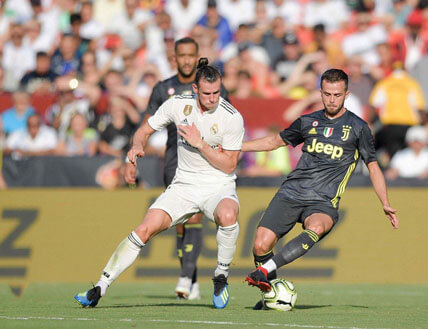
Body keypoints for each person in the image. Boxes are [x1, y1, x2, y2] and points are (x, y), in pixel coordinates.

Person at [75, 58, 244, 310]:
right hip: (184, 185)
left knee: (229, 215)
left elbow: (229, 165)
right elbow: (144, 130)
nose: (213, 98)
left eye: (217, 92)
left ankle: (220, 276)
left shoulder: (231, 117)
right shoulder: (177, 105)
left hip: (217, 185)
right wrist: (134, 149)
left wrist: (200, 144)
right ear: (195, 89)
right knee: (144, 229)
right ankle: (99, 287)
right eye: (207, 93)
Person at [241, 69, 398, 309]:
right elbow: (275, 141)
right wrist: (237, 146)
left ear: (346, 94)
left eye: (337, 94)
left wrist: (385, 202)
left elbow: (373, 166)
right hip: (291, 192)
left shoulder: (358, 127)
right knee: (261, 244)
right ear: (320, 93)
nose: (332, 99)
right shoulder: (307, 121)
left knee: (318, 226)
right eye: (327, 94)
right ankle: (271, 293)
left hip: (323, 201)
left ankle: (264, 271)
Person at [124, 37, 228, 300]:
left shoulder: (210, 86)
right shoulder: (163, 89)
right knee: (180, 223)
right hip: (175, 159)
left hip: (204, 159)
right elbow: (147, 125)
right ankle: (190, 276)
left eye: (190, 55)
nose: (186, 60)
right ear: (175, 58)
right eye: (181, 55)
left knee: (195, 217)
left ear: (197, 56)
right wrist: (134, 151)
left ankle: (186, 277)